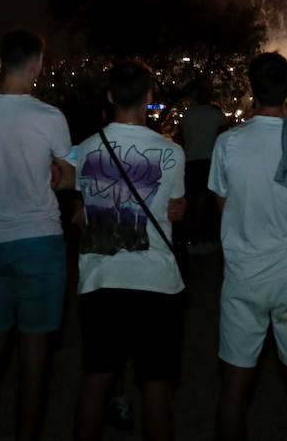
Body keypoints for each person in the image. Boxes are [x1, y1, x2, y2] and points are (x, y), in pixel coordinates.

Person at [209, 52, 287, 441]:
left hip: (244, 274)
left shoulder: (228, 143)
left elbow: (223, 205)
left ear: (251, 88)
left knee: (234, 391)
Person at [0, 30, 76, 441]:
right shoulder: (49, 117)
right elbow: (68, 177)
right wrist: (55, 176)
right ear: (34, 64)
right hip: (40, 241)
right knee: (34, 356)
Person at [73, 60, 186, 441]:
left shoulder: (84, 150)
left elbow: (81, 204)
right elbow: (174, 207)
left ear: (109, 96)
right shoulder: (171, 153)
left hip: (100, 278)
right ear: (149, 95)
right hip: (155, 280)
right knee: (155, 386)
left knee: (96, 381)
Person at [180, 88, 227, 250]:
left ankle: (190, 237)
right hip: (209, 160)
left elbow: (182, 137)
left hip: (190, 160)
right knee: (207, 202)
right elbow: (225, 133)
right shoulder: (215, 114)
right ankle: (202, 238)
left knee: (192, 201)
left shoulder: (187, 114)